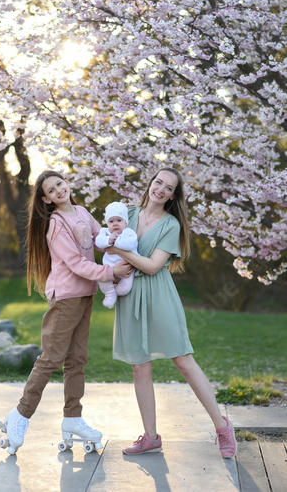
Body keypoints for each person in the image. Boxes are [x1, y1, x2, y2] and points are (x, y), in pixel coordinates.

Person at [107, 166, 237, 459]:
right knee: (140, 366)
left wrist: (121, 252)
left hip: (159, 295)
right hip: (130, 296)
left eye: (169, 188)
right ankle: (150, 437)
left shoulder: (170, 225)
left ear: (172, 196)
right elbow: (102, 243)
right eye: (158, 182)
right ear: (150, 183)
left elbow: (153, 266)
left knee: (183, 361)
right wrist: (111, 263)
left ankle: (222, 426)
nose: (161, 189)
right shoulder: (125, 213)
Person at [0, 170, 132, 455]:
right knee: (50, 359)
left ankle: (73, 417)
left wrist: (122, 234)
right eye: (51, 189)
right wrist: (110, 271)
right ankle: (20, 416)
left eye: (61, 183)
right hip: (66, 298)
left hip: (85, 296)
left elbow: (101, 238)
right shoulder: (56, 224)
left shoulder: (82, 212)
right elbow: (75, 263)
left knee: (77, 361)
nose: (59, 189)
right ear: (46, 200)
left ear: (67, 183)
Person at [95, 201, 139, 308]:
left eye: (119, 220)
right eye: (111, 221)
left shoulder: (128, 232)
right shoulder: (105, 232)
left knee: (124, 289)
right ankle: (110, 294)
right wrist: (109, 240)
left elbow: (132, 244)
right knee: (102, 279)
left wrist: (117, 242)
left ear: (126, 223)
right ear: (107, 223)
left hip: (127, 267)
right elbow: (98, 242)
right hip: (110, 267)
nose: (115, 223)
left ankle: (117, 292)